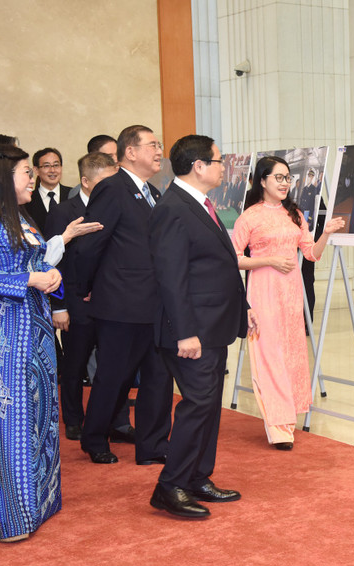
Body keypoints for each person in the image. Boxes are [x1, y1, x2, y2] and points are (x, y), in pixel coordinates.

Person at [147, 134, 258, 518]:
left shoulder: (202, 204)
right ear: (198, 166)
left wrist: (243, 308)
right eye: (218, 160)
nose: (223, 166)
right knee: (197, 404)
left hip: (214, 323)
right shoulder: (173, 208)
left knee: (208, 404)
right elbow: (170, 277)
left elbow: (220, 266)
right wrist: (184, 332)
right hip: (191, 329)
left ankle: (197, 476)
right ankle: (170, 485)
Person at [0, 144, 63, 542]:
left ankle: (40, 501)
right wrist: (29, 280)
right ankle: (10, 517)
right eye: (26, 171)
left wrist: (50, 277)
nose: (32, 177)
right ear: (5, 177)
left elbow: (38, 264)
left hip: (36, 328)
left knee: (41, 414)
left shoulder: (23, 218)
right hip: (4, 332)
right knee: (12, 419)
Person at [75, 124, 173, 465]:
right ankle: (94, 436)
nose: (159, 151)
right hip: (120, 303)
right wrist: (84, 288)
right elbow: (91, 244)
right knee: (114, 376)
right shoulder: (112, 189)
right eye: (152, 145)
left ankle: (153, 444)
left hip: (156, 305)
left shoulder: (154, 193)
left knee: (159, 378)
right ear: (129, 152)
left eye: (160, 146)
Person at [232, 155, 344, 450]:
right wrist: (267, 260)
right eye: (278, 178)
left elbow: (311, 253)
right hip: (263, 291)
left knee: (291, 351)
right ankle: (277, 423)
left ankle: (287, 416)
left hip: (292, 293)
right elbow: (232, 258)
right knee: (268, 353)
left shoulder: (295, 214)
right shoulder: (250, 216)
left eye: (287, 178)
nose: (284, 183)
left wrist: (327, 234)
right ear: (262, 181)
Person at [45, 152, 117, 441]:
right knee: (75, 365)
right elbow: (53, 262)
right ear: (86, 181)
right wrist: (59, 306)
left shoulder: (115, 208)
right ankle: (74, 418)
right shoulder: (64, 212)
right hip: (75, 303)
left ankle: (109, 418)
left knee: (111, 365)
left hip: (111, 301)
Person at [27, 147, 71, 232]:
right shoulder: (27, 200)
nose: (52, 170)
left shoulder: (73, 194)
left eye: (56, 165)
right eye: (46, 166)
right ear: (36, 170)